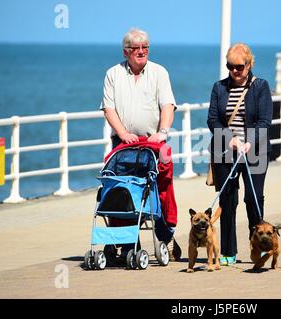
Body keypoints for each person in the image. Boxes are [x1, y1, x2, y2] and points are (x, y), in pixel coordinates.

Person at [100, 28, 181, 261]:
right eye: (136, 48)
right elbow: (109, 108)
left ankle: (166, 230)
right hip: (123, 142)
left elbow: (168, 105)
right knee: (120, 185)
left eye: (145, 47)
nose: (142, 51)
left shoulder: (159, 72)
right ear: (126, 51)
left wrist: (162, 132)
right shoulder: (113, 74)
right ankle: (124, 239)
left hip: (155, 141)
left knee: (163, 182)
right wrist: (123, 133)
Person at [207, 43, 273, 266]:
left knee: (253, 200)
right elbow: (213, 119)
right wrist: (229, 138)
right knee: (228, 200)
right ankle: (228, 251)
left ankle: (259, 248)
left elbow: (265, 121)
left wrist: (249, 143)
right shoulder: (219, 88)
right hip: (226, 151)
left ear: (249, 64)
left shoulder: (261, 87)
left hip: (255, 152)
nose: (235, 71)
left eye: (239, 67)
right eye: (230, 66)